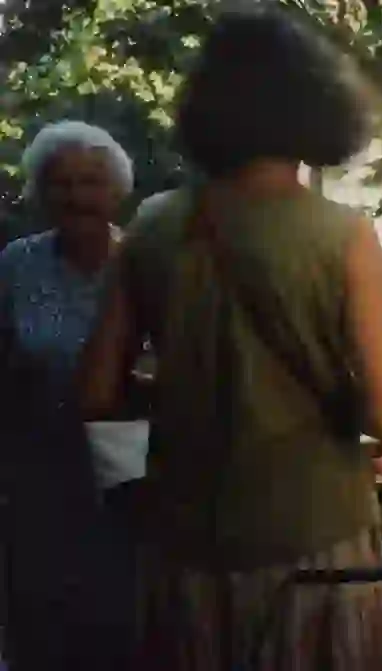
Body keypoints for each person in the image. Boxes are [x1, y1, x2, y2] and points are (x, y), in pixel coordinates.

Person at [77, 7, 382, 670]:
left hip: (186, 546)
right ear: (316, 106)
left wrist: (186, 392)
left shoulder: (152, 225)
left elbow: (94, 393)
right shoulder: (342, 234)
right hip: (314, 544)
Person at [0, 121, 135, 669]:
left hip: (127, 486)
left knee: (122, 628)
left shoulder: (143, 263)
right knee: (43, 632)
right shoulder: (15, 266)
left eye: (90, 182)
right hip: (38, 481)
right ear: (40, 191)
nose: (77, 196)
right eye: (61, 183)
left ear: (116, 191)